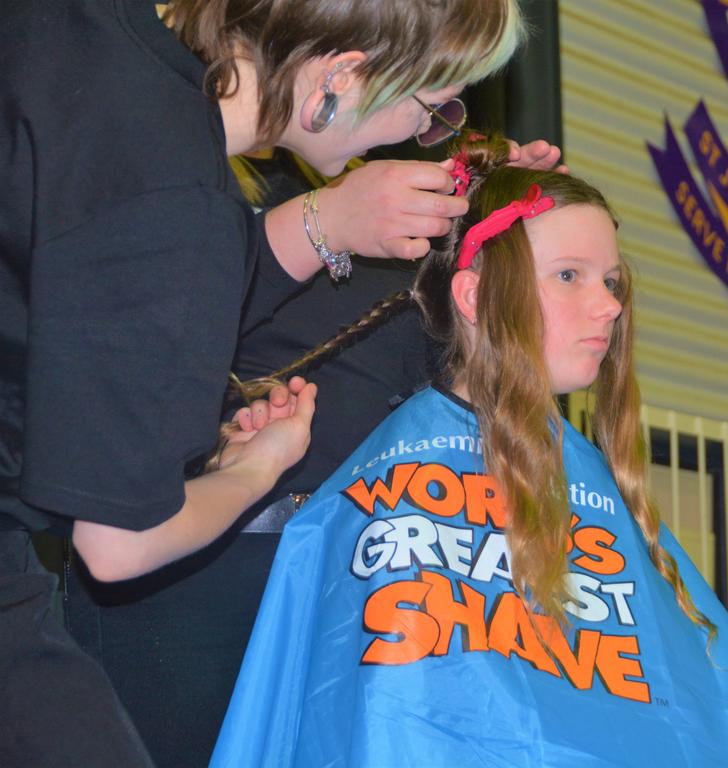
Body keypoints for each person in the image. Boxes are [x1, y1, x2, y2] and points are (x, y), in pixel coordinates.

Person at [0, 1, 534, 764]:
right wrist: (259, 468)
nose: (421, 135)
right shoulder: (172, 202)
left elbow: (107, 262)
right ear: (343, 76)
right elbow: (118, 543)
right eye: (426, 107)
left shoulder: (85, 37)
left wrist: (328, 220)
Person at [211, 137, 728, 767]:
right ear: (474, 297)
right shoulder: (385, 473)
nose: (611, 305)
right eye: (568, 275)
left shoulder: (592, 486)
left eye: (611, 281)